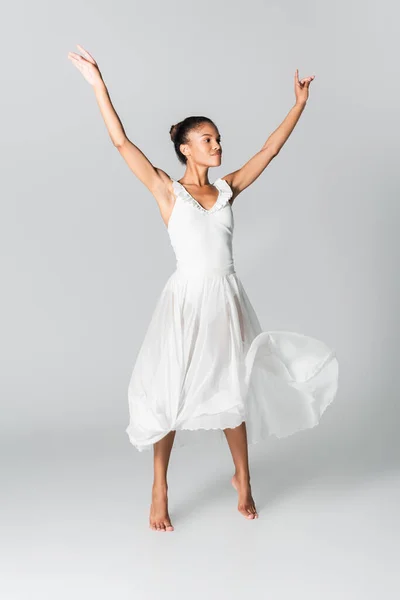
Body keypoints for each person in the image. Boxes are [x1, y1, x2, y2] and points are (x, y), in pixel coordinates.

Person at [68, 45, 339, 532]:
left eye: (218, 138)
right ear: (186, 148)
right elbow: (121, 144)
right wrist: (98, 86)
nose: (217, 145)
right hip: (187, 301)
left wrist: (298, 105)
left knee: (232, 387)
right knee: (173, 389)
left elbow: (269, 151)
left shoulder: (229, 188)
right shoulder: (165, 190)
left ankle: (243, 476)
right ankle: (160, 485)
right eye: (208, 139)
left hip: (227, 299)